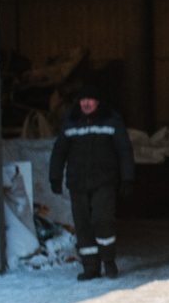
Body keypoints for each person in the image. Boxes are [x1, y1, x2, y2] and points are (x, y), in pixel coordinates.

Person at [47, 90, 133, 280]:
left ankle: (108, 261)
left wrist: (127, 178)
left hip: (104, 181)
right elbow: (60, 150)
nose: (86, 103)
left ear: (98, 101)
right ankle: (91, 267)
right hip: (78, 183)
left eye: (90, 99)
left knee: (102, 221)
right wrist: (55, 177)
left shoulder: (112, 120)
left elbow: (124, 150)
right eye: (82, 100)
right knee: (83, 224)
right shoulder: (70, 120)